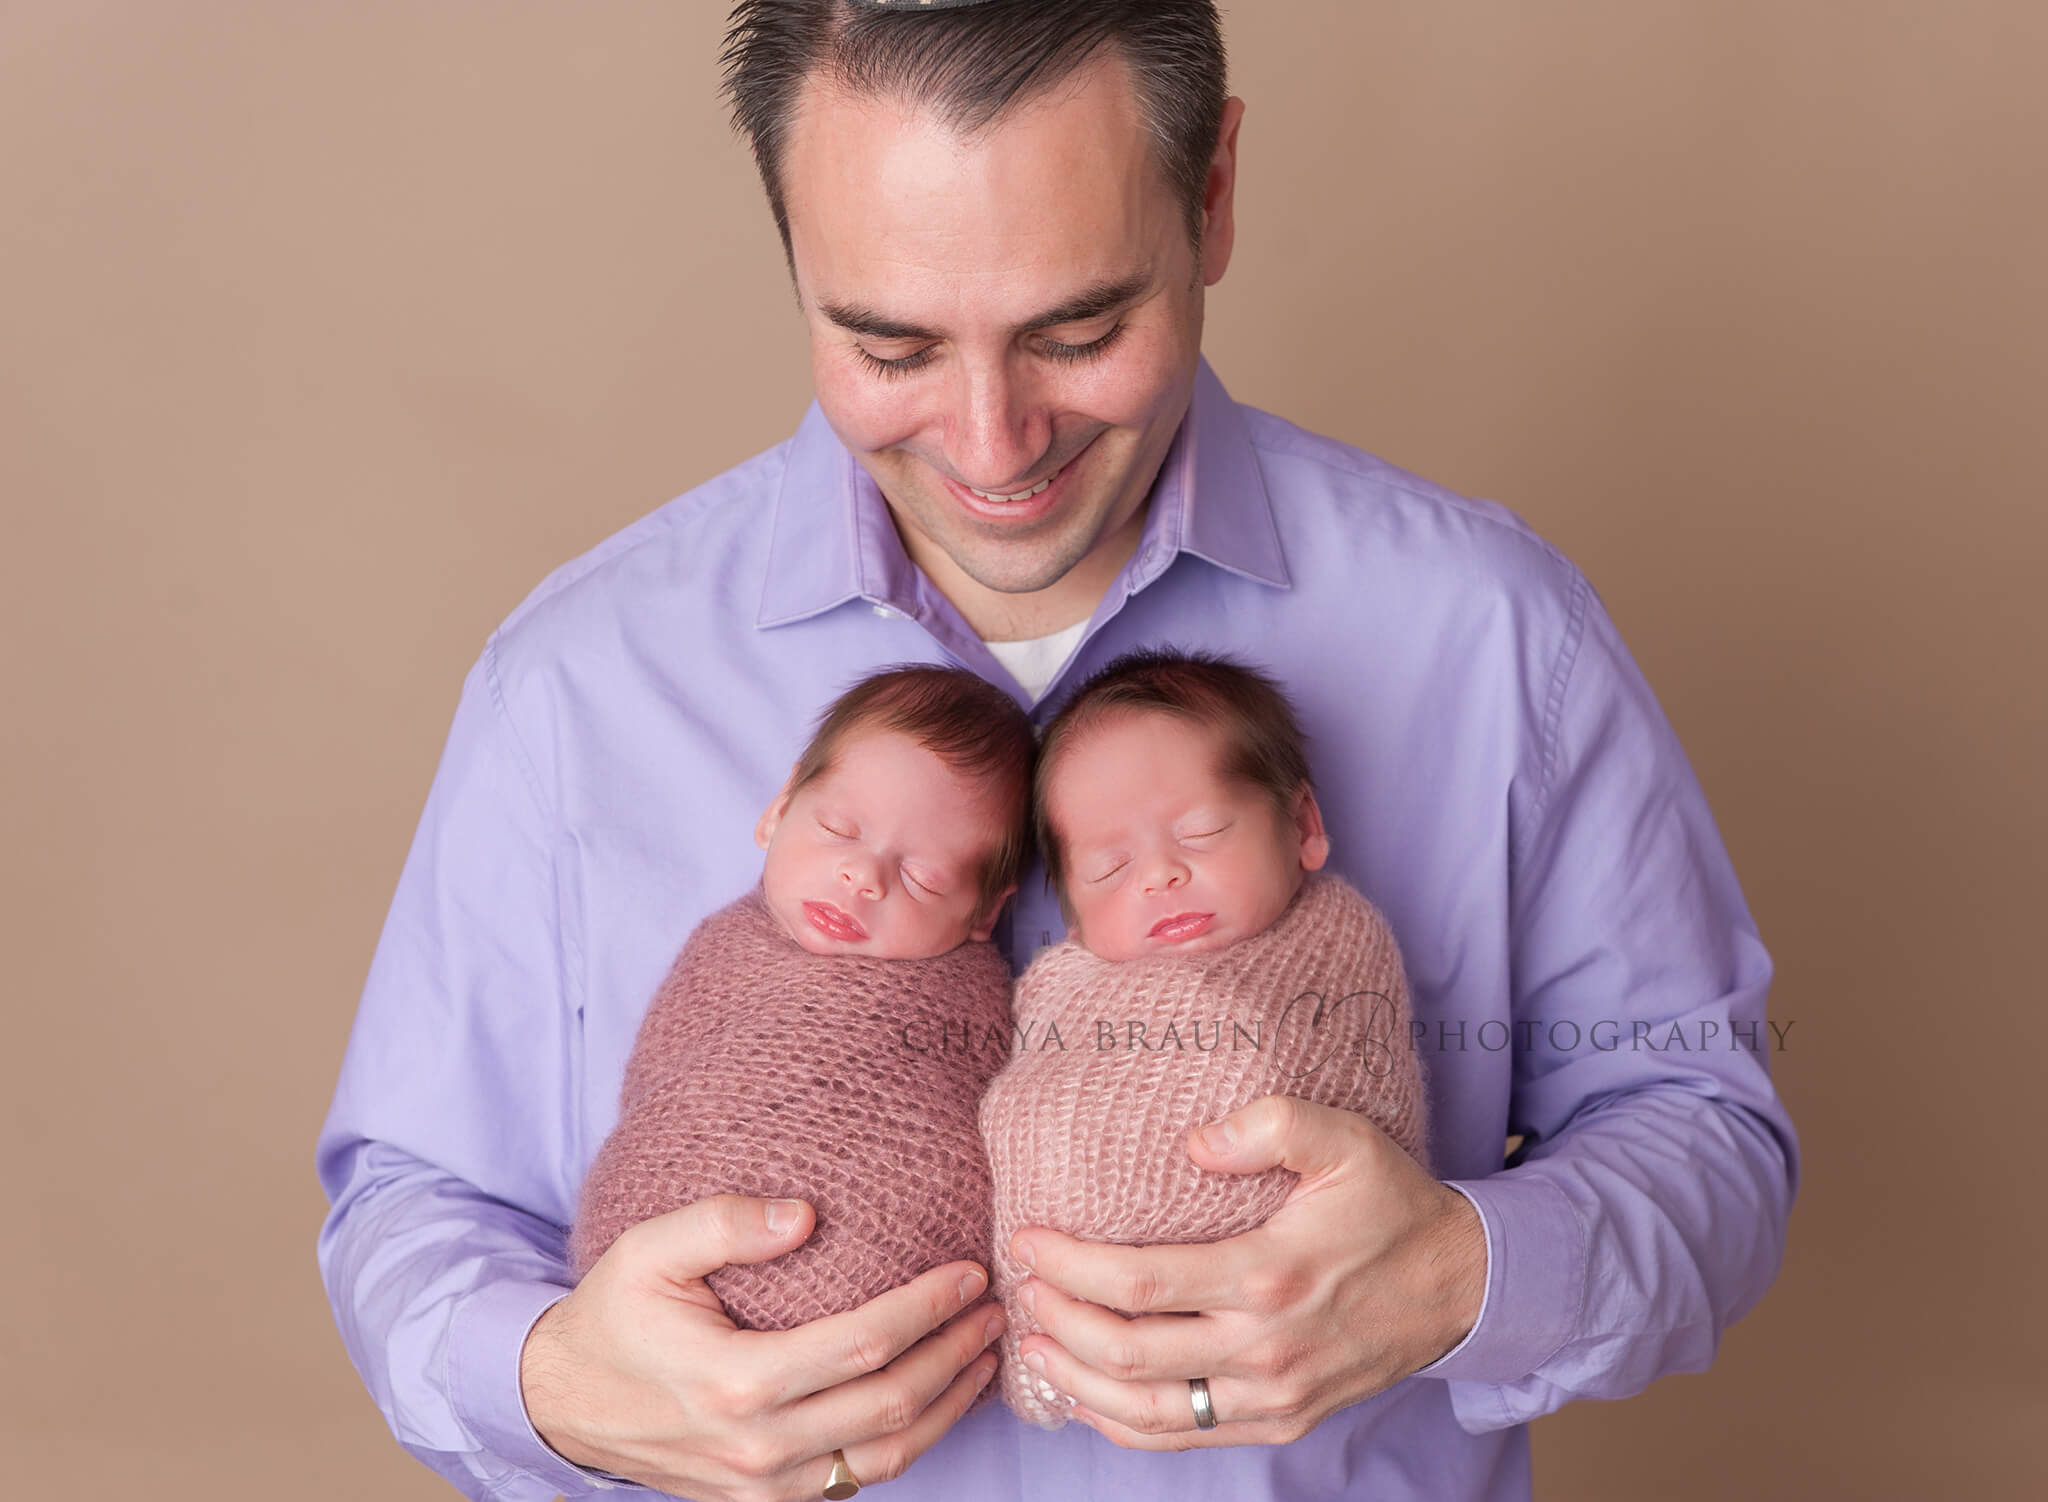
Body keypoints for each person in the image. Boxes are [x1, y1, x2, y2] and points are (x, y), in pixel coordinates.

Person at [313, 2, 1801, 1499]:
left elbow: (1706, 1131)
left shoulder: (1495, 635)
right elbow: (412, 1196)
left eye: (1078, 331)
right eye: (887, 343)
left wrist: (1456, 1278)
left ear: (1211, 191)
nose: (992, 443)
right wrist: (552, 1381)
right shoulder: (575, 684)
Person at [977, 647, 1430, 1429]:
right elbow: (1012, 1112)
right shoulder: (1057, 987)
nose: (1159, 876)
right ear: (1073, 917)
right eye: (1111, 867)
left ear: (1304, 826)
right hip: (1034, 1327)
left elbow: (1356, 1109)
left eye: (1204, 831)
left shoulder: (1336, 945)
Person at [566, 665, 1029, 1376]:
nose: (863, 876)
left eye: (924, 877)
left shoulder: (965, 999)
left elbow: (974, 1135)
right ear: (778, 809)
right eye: (838, 829)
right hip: (656, 1289)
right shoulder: (725, 948)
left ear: (985, 914)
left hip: (889, 1298)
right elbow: (662, 1085)